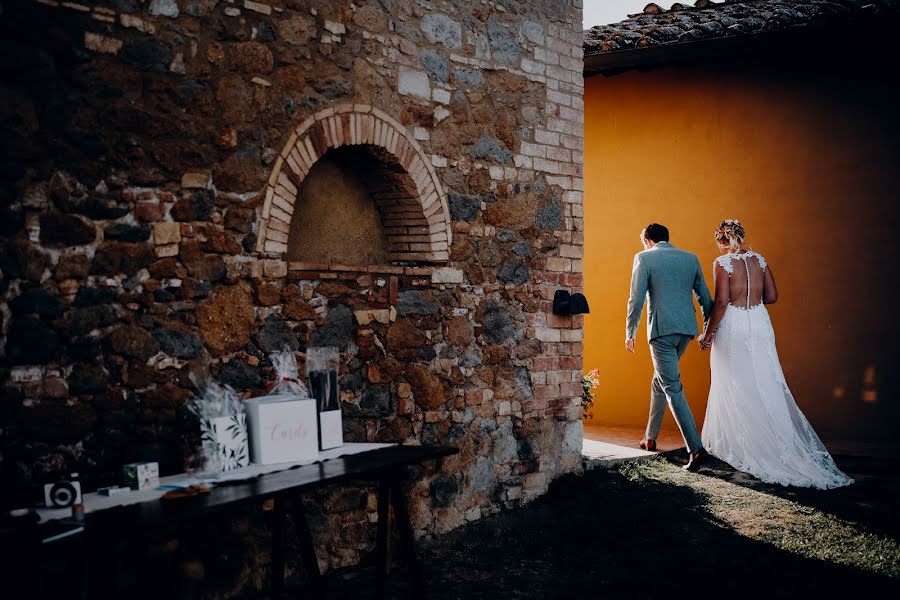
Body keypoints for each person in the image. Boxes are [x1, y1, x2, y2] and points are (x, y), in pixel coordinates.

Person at [698, 219, 853, 488]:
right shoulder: (760, 259)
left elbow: (722, 301)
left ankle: (743, 443)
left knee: (734, 382)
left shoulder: (720, 263)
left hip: (734, 324)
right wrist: (752, 296)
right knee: (765, 380)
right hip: (759, 322)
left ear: (721, 241)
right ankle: (773, 440)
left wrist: (708, 334)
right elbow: (772, 296)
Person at [626, 223, 713, 471]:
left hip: (661, 331)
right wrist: (707, 329)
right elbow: (705, 297)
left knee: (671, 386)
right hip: (686, 330)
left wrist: (630, 331)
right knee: (661, 381)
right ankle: (650, 437)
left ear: (649, 241)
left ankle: (695, 449)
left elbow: (636, 297)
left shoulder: (643, 257)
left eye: (643, 242)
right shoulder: (690, 258)